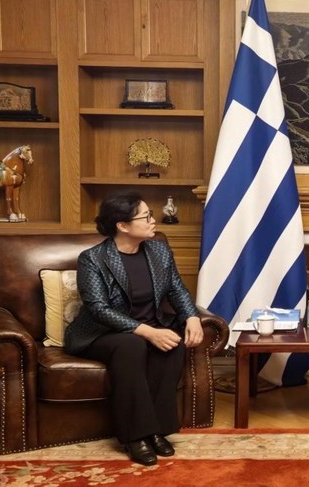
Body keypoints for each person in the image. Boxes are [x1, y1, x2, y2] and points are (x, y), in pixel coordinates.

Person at [64, 191, 204, 466]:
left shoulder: (159, 250)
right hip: (101, 333)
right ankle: (135, 436)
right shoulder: (93, 258)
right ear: (123, 225)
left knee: (172, 342)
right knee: (132, 345)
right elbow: (98, 308)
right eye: (146, 216)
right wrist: (147, 332)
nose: (154, 220)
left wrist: (192, 317)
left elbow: (177, 289)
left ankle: (158, 430)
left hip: (148, 326)